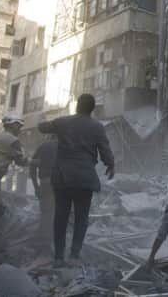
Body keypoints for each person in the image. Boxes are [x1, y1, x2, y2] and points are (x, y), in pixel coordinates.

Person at [38, 93, 115, 267]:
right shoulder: (97, 126)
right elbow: (105, 148)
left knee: (60, 216)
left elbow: (42, 127)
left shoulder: (62, 122)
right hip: (84, 177)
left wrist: (42, 120)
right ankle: (74, 255)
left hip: (62, 177)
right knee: (81, 217)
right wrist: (110, 164)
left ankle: (58, 256)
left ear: (78, 105)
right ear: (92, 108)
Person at [29, 136, 58, 242]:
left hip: (46, 182)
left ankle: (44, 238)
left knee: (46, 212)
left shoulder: (43, 146)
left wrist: (36, 187)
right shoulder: (68, 146)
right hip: (63, 184)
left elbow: (32, 167)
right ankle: (50, 239)